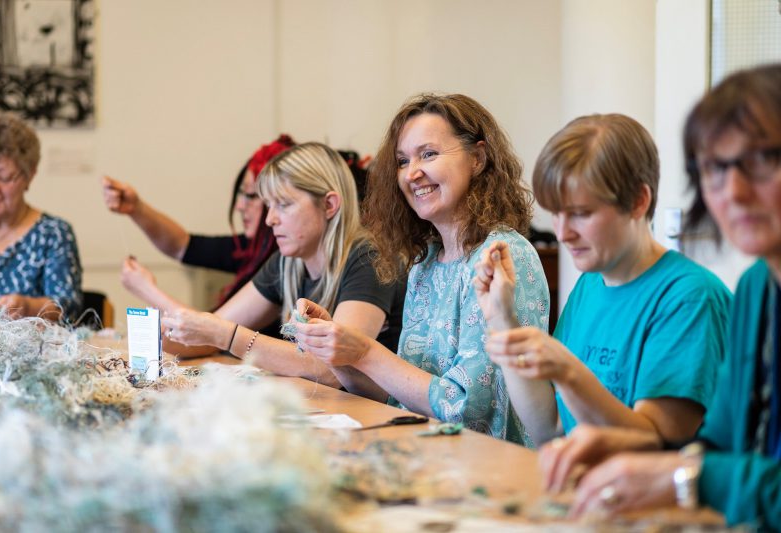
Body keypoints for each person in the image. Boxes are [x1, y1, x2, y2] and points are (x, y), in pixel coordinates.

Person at [535, 64, 781, 528]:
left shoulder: (692, 295)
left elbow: (701, 464)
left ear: (639, 202)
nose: (734, 191)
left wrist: (683, 477)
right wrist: (625, 447)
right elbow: (721, 442)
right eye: (714, 169)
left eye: (761, 161)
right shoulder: (756, 287)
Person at [293, 93, 549, 444]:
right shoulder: (425, 263)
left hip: (494, 469)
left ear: (477, 158)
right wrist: (337, 352)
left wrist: (365, 352)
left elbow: (468, 410)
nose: (412, 173)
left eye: (428, 154)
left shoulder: (504, 256)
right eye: (402, 161)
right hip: (434, 457)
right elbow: (404, 397)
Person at [474, 113, 731, 448]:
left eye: (581, 213)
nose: (563, 233)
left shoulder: (690, 298)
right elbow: (549, 430)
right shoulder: (590, 284)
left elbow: (657, 448)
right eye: (557, 213)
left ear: (639, 201)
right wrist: (502, 319)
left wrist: (569, 372)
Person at [161, 142, 405, 388]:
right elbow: (209, 335)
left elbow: (332, 367)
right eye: (268, 206)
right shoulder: (287, 262)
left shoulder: (369, 259)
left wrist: (227, 335)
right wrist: (166, 334)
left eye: (284, 205)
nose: (269, 220)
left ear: (329, 205)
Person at [102, 135, 294, 310]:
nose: (240, 206)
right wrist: (137, 208)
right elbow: (184, 246)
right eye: (241, 193)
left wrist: (147, 291)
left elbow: (213, 333)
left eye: (252, 196)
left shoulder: (283, 262)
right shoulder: (254, 250)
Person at [0, 113, 82, 321]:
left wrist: (29, 307)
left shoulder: (53, 233)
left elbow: (68, 308)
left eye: (4, 177)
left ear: (29, 175)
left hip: (31, 352)